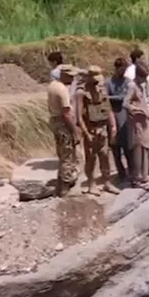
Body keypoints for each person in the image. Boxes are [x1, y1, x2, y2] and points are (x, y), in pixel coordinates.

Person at [77, 65, 120, 196]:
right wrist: (86, 133)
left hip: (103, 129)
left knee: (105, 156)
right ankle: (91, 184)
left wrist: (113, 126)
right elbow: (79, 117)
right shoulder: (81, 93)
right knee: (91, 158)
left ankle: (107, 182)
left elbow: (108, 109)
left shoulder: (102, 90)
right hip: (90, 130)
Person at [48, 64, 82, 197]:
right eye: (71, 77)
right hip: (63, 124)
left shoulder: (52, 85)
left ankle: (60, 183)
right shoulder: (62, 90)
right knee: (68, 155)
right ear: (64, 75)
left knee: (62, 154)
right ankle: (65, 187)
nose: (73, 80)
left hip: (54, 121)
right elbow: (66, 113)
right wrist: (75, 131)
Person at [126, 63, 149, 187]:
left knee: (145, 147)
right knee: (137, 148)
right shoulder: (132, 86)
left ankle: (144, 175)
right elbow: (126, 103)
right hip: (137, 122)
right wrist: (138, 110)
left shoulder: (141, 86)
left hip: (143, 122)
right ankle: (136, 177)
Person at [107, 58, 133, 181]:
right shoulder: (109, 82)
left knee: (128, 146)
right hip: (112, 115)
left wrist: (113, 98)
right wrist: (118, 98)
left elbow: (127, 97)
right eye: (121, 69)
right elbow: (105, 97)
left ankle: (131, 171)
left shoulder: (127, 82)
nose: (123, 72)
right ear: (116, 68)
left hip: (124, 114)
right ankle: (121, 173)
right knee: (115, 146)